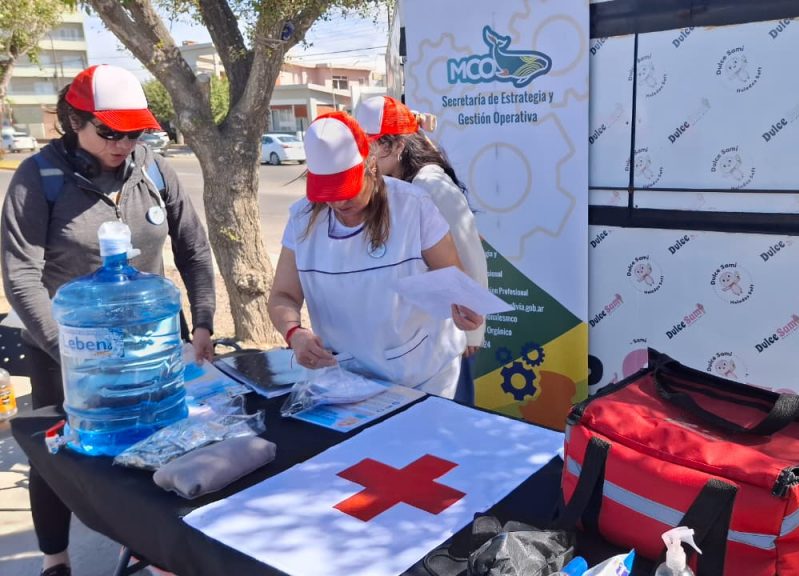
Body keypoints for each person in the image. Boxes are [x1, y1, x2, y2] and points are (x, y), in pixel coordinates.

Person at [1, 64, 216, 576]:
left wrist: (203, 321)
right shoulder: (40, 178)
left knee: (158, 442)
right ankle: (55, 558)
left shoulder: (156, 171)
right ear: (73, 121)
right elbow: (21, 275)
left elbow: (194, 250)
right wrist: (71, 353)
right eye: (108, 132)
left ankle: (152, 548)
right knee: (58, 460)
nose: (123, 143)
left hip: (153, 343)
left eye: (133, 131)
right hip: (66, 350)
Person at [268, 111, 482, 398]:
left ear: (370, 166)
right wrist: (294, 334)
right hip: (344, 379)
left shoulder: (413, 206)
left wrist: (464, 310)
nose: (339, 201)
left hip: (419, 378)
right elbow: (283, 295)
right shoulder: (302, 218)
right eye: (328, 193)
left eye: (346, 188)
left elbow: (453, 278)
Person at [353, 96, 488, 356]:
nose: (365, 160)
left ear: (395, 146)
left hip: (446, 335)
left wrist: (471, 332)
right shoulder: (398, 183)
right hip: (414, 332)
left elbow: (470, 257)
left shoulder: (430, 185)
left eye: (370, 148)